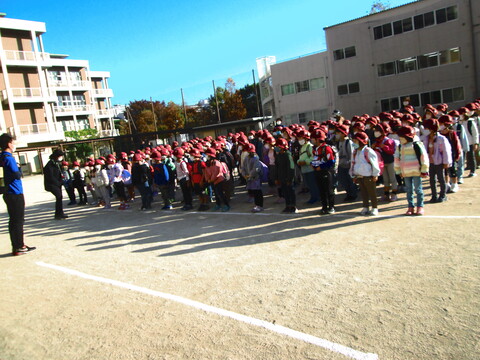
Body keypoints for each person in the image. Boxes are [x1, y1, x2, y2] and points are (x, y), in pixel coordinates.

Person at [0, 133, 36, 256]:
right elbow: (16, 174)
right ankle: (19, 246)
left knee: (13, 220)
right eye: (13, 142)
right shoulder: (9, 158)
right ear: (9, 144)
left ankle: (16, 245)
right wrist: (19, 168)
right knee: (18, 221)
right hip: (15, 192)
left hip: (7, 192)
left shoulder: (1, 157)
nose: (14, 145)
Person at [395, 126, 429, 215]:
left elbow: (423, 158)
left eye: (402, 138)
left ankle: (420, 206)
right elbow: (396, 159)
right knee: (409, 190)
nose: (400, 140)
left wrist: (424, 170)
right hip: (406, 173)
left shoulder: (417, 145)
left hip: (417, 172)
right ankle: (410, 206)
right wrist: (398, 171)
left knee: (418, 189)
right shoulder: (399, 147)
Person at [350, 132, 381, 216]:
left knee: (372, 192)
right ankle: (365, 206)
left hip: (369, 175)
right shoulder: (355, 152)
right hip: (359, 175)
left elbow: (375, 163)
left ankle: (374, 207)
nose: (353, 143)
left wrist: (375, 174)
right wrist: (353, 174)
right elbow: (353, 163)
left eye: (355, 141)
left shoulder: (368, 151)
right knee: (363, 192)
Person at [422, 119, 452, 203]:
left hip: (439, 162)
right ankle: (434, 196)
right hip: (430, 162)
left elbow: (446, 151)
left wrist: (446, 162)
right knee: (432, 180)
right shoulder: (426, 138)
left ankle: (443, 195)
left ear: (431, 128)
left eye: (427, 128)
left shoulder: (441, 138)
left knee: (441, 179)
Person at [311, 130, 336, 215]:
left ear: (318, 139)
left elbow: (331, 161)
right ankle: (324, 207)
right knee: (321, 190)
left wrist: (321, 167)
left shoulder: (326, 148)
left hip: (326, 172)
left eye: (313, 139)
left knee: (328, 190)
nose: (312, 140)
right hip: (317, 172)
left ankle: (331, 207)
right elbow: (314, 159)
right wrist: (313, 165)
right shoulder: (314, 148)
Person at [44, 148, 68, 220]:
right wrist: (58, 183)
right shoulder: (50, 164)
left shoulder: (57, 163)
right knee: (59, 197)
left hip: (58, 183)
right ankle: (58, 214)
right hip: (52, 184)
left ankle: (60, 213)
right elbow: (50, 176)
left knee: (59, 197)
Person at [204, 147, 230, 212]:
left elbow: (216, 173)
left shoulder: (216, 162)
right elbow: (206, 172)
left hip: (218, 180)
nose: (206, 156)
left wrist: (211, 179)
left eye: (207, 155)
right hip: (212, 181)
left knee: (221, 193)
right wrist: (208, 179)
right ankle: (218, 204)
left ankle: (226, 205)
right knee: (216, 193)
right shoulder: (208, 163)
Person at [275, 138, 297, 213]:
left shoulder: (287, 155)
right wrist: (277, 178)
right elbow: (277, 167)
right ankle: (287, 206)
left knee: (291, 192)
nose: (277, 148)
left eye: (278, 147)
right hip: (282, 178)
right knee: (285, 193)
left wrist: (290, 179)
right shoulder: (278, 156)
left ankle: (293, 206)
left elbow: (291, 168)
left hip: (288, 178)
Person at [243, 143, 264, 212]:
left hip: (256, 178)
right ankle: (256, 204)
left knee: (258, 192)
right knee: (254, 192)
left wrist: (250, 175)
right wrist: (244, 174)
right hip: (249, 179)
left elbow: (256, 168)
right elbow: (243, 167)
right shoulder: (246, 158)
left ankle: (260, 205)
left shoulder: (256, 158)